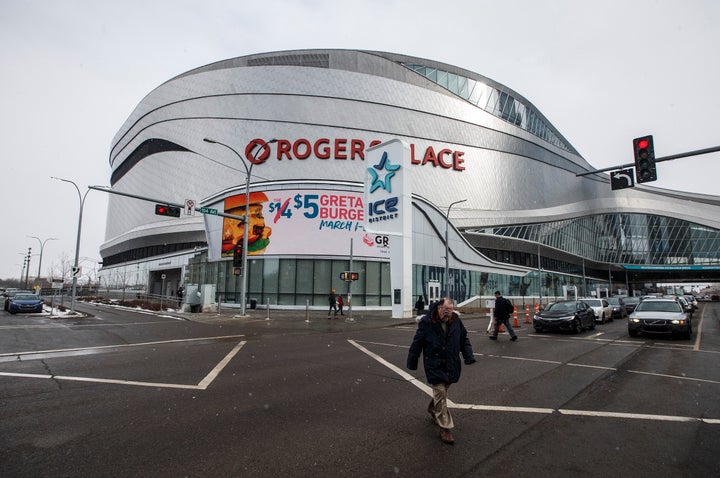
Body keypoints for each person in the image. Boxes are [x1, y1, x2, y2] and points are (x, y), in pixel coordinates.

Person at [407, 297, 476, 445]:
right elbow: (417, 343)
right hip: (434, 364)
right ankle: (445, 428)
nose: (448, 314)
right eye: (445, 311)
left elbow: (464, 339)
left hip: (451, 364)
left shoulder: (456, 321)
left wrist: (468, 356)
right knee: (440, 391)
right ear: (439, 308)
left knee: (443, 391)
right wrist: (412, 361)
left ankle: (433, 409)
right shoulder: (427, 323)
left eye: (450, 311)